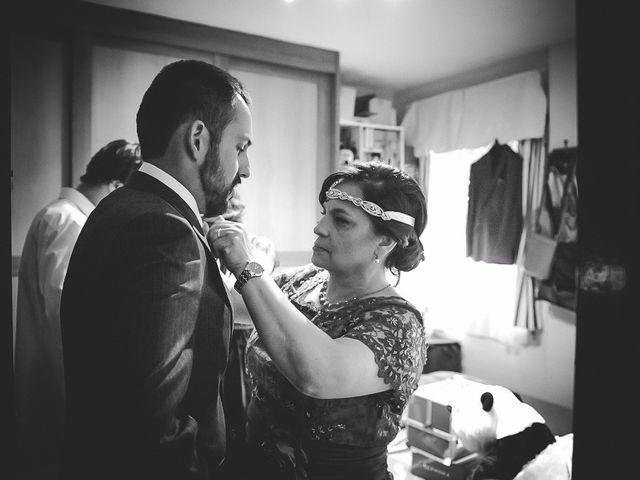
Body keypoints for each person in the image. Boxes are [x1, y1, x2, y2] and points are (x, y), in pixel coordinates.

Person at [59, 60, 252, 480]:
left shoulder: (118, 206)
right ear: (198, 140)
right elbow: (151, 425)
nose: (246, 170)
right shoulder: (165, 230)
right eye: (240, 148)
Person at [208, 160, 428, 480]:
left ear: (385, 240)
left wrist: (246, 264)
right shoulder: (302, 281)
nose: (320, 227)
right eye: (325, 213)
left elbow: (317, 375)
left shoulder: (398, 325)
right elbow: (234, 304)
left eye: (341, 220)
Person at [14, 139, 141, 480]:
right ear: (116, 186)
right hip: (65, 391)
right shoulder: (67, 222)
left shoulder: (61, 216)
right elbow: (68, 316)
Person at [216, 193, 278, 461]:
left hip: (242, 340)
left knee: (240, 409)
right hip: (216, 339)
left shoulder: (260, 246)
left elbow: (248, 303)